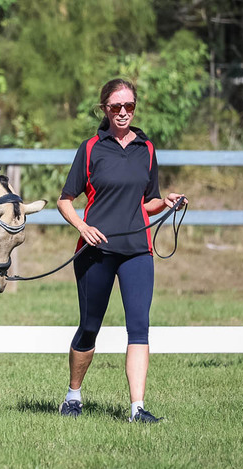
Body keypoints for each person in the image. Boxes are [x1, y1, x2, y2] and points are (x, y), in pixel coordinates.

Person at [56, 78, 187, 423]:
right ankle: (73, 395)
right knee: (89, 327)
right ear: (105, 109)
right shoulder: (90, 149)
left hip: (137, 251)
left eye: (129, 106)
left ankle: (137, 408)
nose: (124, 112)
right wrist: (82, 227)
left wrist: (168, 201)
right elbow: (65, 200)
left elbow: (149, 200)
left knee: (139, 328)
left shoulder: (147, 148)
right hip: (95, 252)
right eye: (116, 107)